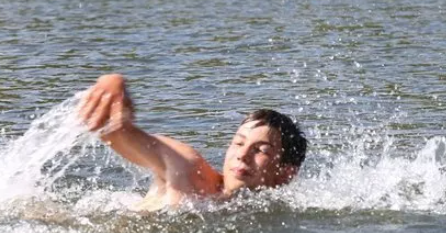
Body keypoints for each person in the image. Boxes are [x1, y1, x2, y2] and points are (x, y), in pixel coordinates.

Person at [79, 74, 308, 210]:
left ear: (285, 173)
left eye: (260, 150)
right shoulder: (189, 170)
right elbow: (114, 131)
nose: (242, 154)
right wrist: (113, 83)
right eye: (238, 143)